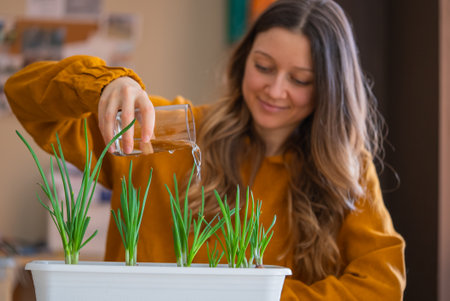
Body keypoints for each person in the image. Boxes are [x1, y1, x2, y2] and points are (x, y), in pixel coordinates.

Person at [5, 0, 406, 299]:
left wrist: (251, 294)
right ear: (243, 60)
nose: (275, 90)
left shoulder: (345, 170)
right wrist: (105, 85)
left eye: (300, 79)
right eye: (263, 67)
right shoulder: (165, 132)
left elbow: (381, 286)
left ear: (329, 89)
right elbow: (23, 94)